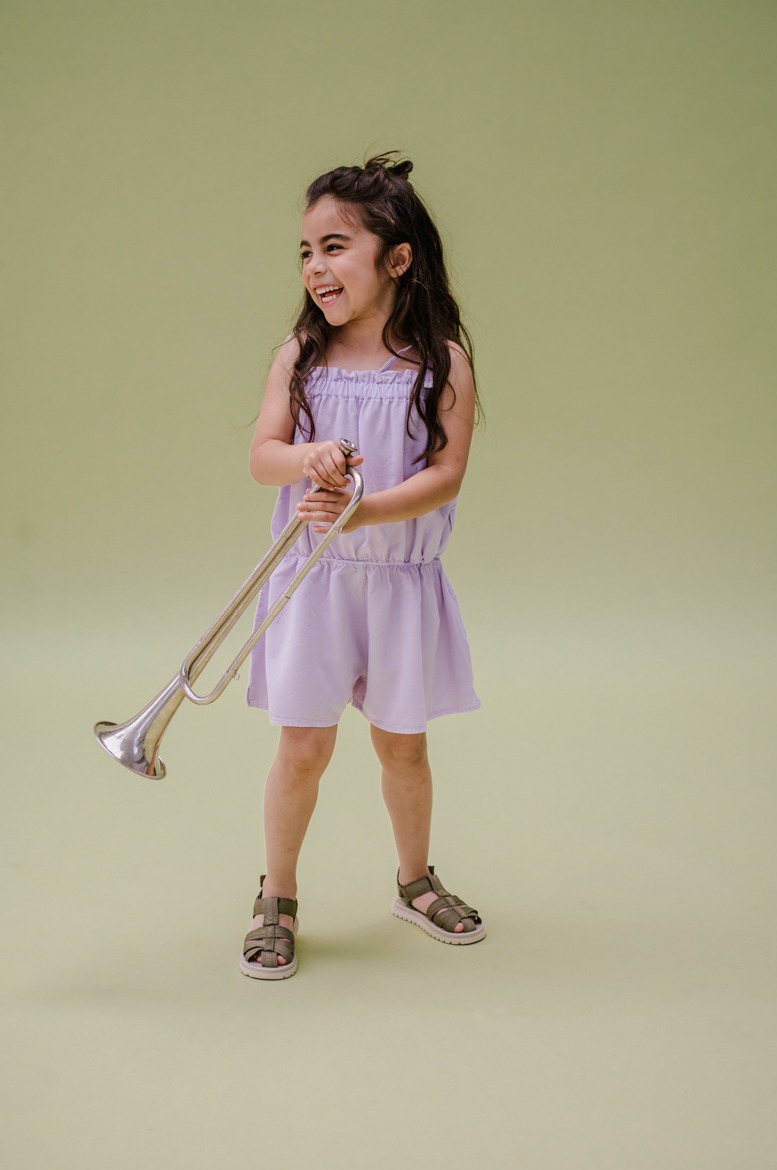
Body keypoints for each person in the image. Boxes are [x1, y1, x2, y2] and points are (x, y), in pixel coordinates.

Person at [241, 153, 485, 979]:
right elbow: (264, 457)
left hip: (398, 583)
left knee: (403, 748)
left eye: (335, 246)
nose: (315, 267)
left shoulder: (441, 362)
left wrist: (365, 510)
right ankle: (277, 896)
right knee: (302, 748)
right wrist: (307, 458)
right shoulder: (299, 357)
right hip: (313, 583)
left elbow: (447, 475)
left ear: (399, 258)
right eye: (306, 252)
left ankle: (414, 882)